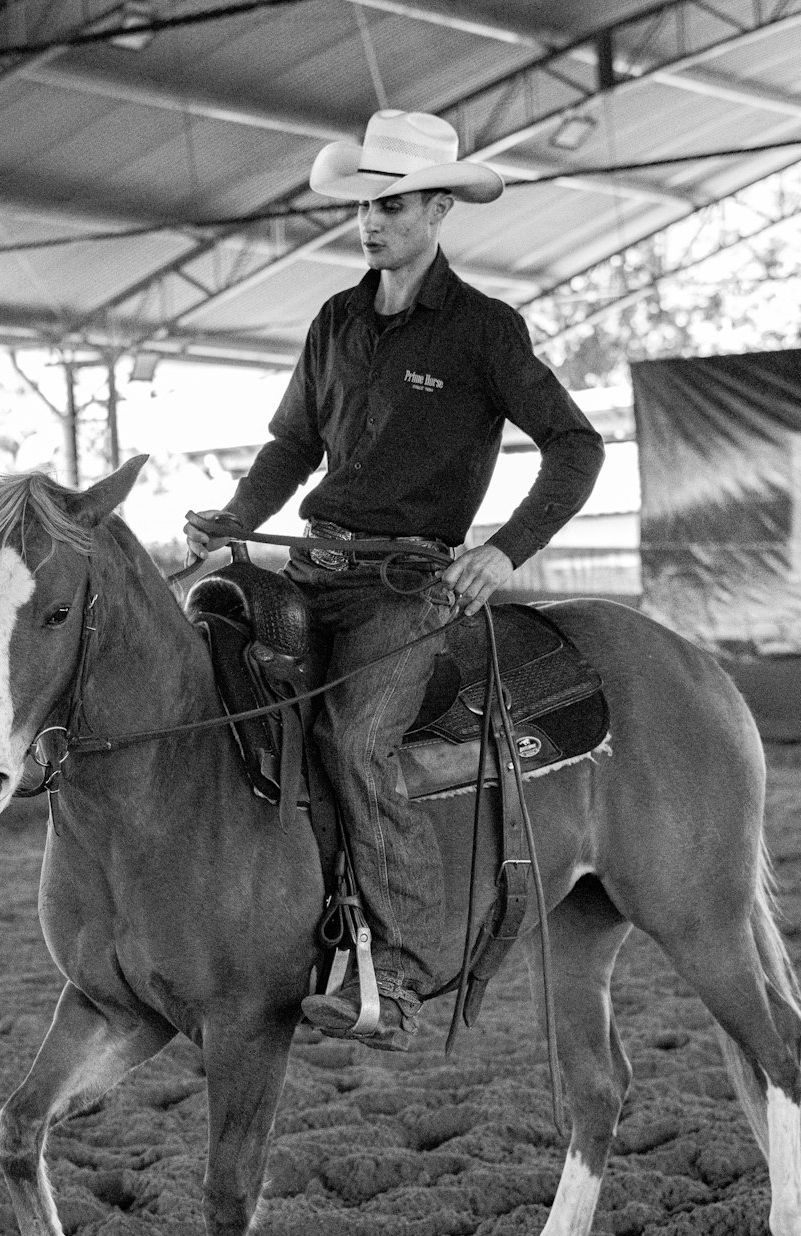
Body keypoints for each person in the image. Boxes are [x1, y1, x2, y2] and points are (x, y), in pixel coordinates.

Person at [184, 109, 605, 1051]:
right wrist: (235, 524)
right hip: (309, 564)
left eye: (394, 203)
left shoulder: (485, 331)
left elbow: (576, 446)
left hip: (409, 590)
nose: (370, 220)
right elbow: (292, 444)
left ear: (441, 209)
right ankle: (266, 927)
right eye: (363, 204)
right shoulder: (335, 318)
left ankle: (408, 973)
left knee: (356, 735)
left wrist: (502, 552)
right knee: (226, 701)